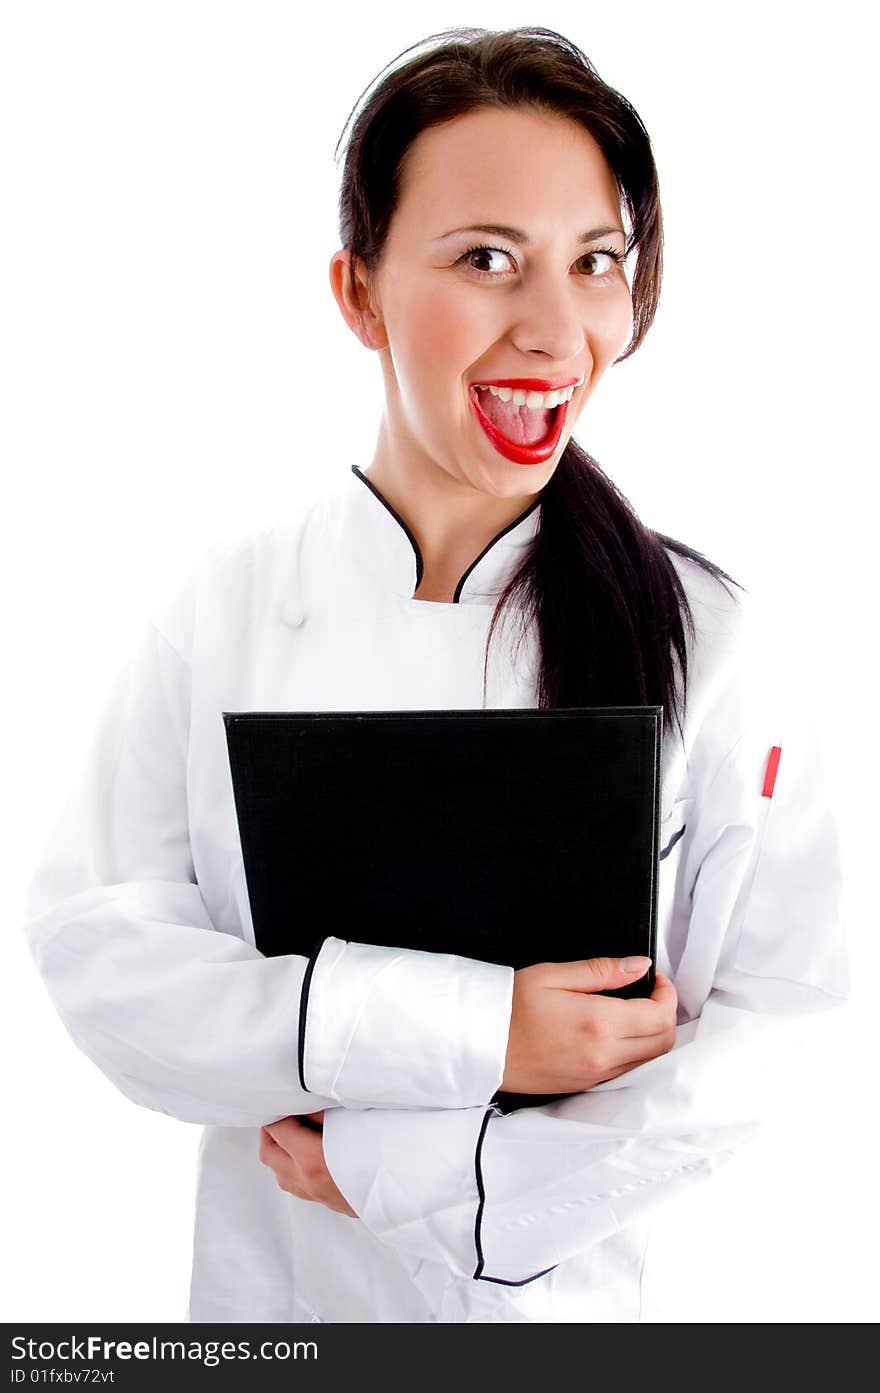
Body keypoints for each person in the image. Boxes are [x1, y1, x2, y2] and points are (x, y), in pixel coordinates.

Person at [21, 25, 847, 1324]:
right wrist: (486, 1031)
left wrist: (420, 1173)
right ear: (357, 292)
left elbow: (788, 1023)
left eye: (596, 263)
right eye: (486, 260)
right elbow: (105, 962)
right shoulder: (227, 605)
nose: (557, 327)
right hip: (272, 1312)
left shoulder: (709, 633)